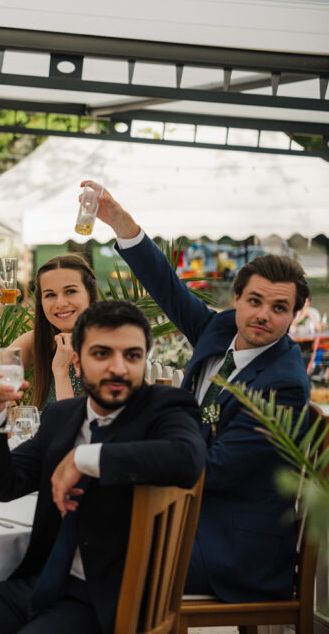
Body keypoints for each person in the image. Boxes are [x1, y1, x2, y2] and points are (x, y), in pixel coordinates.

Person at [0, 300, 205, 634]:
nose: (118, 368)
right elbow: (0, 486)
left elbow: (187, 457)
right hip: (39, 585)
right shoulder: (63, 416)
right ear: (77, 361)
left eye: (132, 355)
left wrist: (83, 458)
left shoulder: (166, 407)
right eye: (102, 354)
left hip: (105, 600)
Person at [93, 181, 310, 602]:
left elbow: (218, 468)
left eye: (279, 308)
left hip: (233, 544)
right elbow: (168, 289)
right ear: (237, 298)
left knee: (103, 556)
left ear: (294, 316)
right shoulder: (222, 328)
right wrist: (121, 223)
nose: (263, 315)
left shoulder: (283, 384)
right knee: (78, 528)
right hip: (188, 509)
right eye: (255, 301)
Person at [0, 254, 98, 408]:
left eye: (70, 291)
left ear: (90, 294)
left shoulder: (110, 345)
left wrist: (60, 370)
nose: (60, 303)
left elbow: (71, 420)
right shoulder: (41, 340)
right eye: (50, 295)